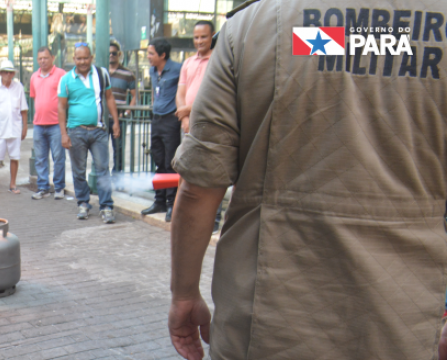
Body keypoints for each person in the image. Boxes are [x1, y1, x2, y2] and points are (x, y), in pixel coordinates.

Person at [166, 1, 447, 360]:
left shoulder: (254, 26)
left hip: (268, 318)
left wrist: (184, 294)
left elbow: (200, 187)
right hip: (400, 318)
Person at [58, 44, 120, 224]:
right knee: (78, 171)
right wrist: (63, 133)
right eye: (79, 58)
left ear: (91, 57)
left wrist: (115, 122)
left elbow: (109, 98)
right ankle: (83, 203)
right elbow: (61, 107)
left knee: (103, 169)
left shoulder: (101, 74)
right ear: (74, 59)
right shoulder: (66, 79)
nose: (82, 62)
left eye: (85, 58)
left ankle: (106, 206)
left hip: (99, 131)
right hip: (76, 131)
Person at [176, 20, 223, 232]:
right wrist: (185, 118)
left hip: (210, 124)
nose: (199, 41)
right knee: (186, 170)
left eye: (203, 37)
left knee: (210, 171)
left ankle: (212, 220)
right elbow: (181, 92)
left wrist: (188, 110)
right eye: (196, 37)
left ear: (212, 36)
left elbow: (214, 96)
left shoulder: (219, 61)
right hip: (189, 126)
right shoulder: (188, 62)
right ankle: (188, 217)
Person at [140, 38, 181, 222]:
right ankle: (159, 201)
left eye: (151, 53)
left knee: (171, 163)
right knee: (159, 162)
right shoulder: (151, 70)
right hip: (156, 120)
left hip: (171, 120)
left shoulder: (178, 69)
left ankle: (172, 204)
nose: (148, 57)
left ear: (162, 55)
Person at [0, 59, 28, 195]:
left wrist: (25, 127)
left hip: (14, 127)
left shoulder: (18, 86)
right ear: (1, 73)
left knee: (15, 157)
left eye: (10, 72)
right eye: (5, 72)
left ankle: (12, 184)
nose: (8, 75)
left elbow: (24, 109)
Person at [29, 47, 67, 200]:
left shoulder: (61, 74)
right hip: (38, 124)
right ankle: (43, 187)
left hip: (56, 124)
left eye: (45, 58)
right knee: (40, 158)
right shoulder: (34, 77)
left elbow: (66, 99)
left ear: (52, 57)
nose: (43, 61)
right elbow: (34, 97)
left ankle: (59, 187)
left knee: (58, 157)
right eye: (40, 59)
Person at [108, 41, 138, 176]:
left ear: (119, 54)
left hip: (119, 118)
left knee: (118, 148)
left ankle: (117, 175)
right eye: (108, 53)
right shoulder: (100, 72)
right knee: (99, 148)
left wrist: (126, 112)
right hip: (102, 117)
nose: (111, 56)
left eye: (114, 53)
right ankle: (103, 176)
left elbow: (135, 96)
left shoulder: (128, 74)